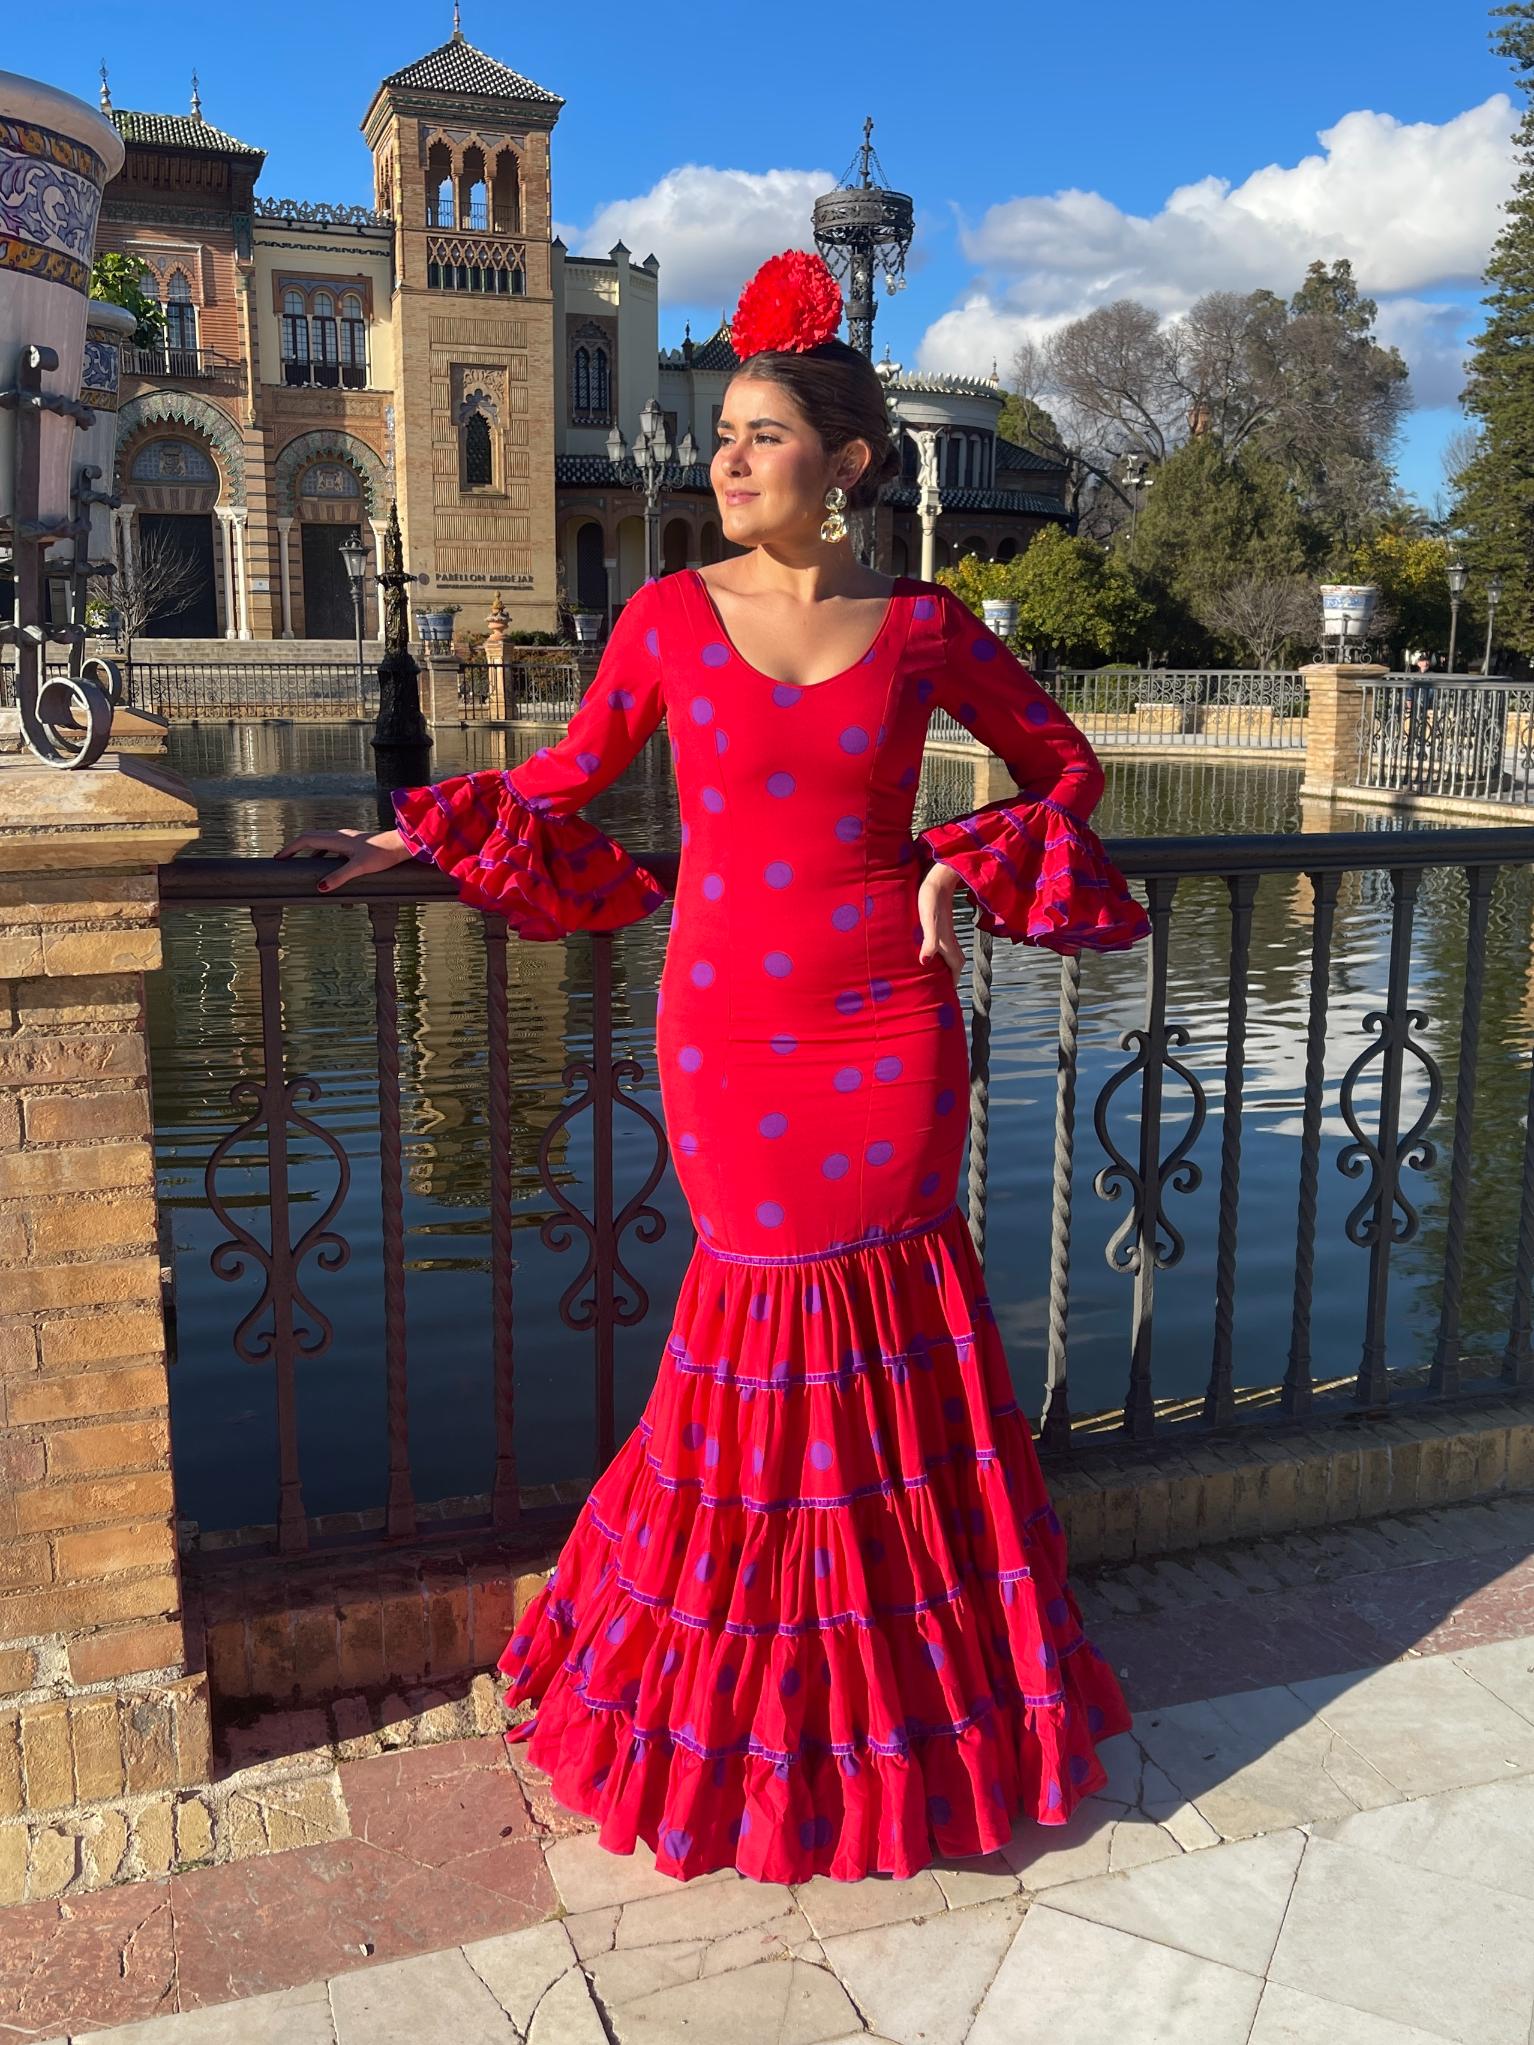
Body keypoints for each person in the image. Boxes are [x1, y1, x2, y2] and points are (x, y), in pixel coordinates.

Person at [275, 248, 1151, 1885]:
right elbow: (568, 773)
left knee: (892, 1344)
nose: (725, 460)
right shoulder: (669, 618)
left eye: (758, 435)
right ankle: (734, 1708)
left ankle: (900, 1713)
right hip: (732, 1040)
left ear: (849, 465)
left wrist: (959, 864)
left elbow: (1068, 763)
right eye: (723, 435)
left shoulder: (924, 626)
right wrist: (411, 831)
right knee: (757, 1334)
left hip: (888, 1029)